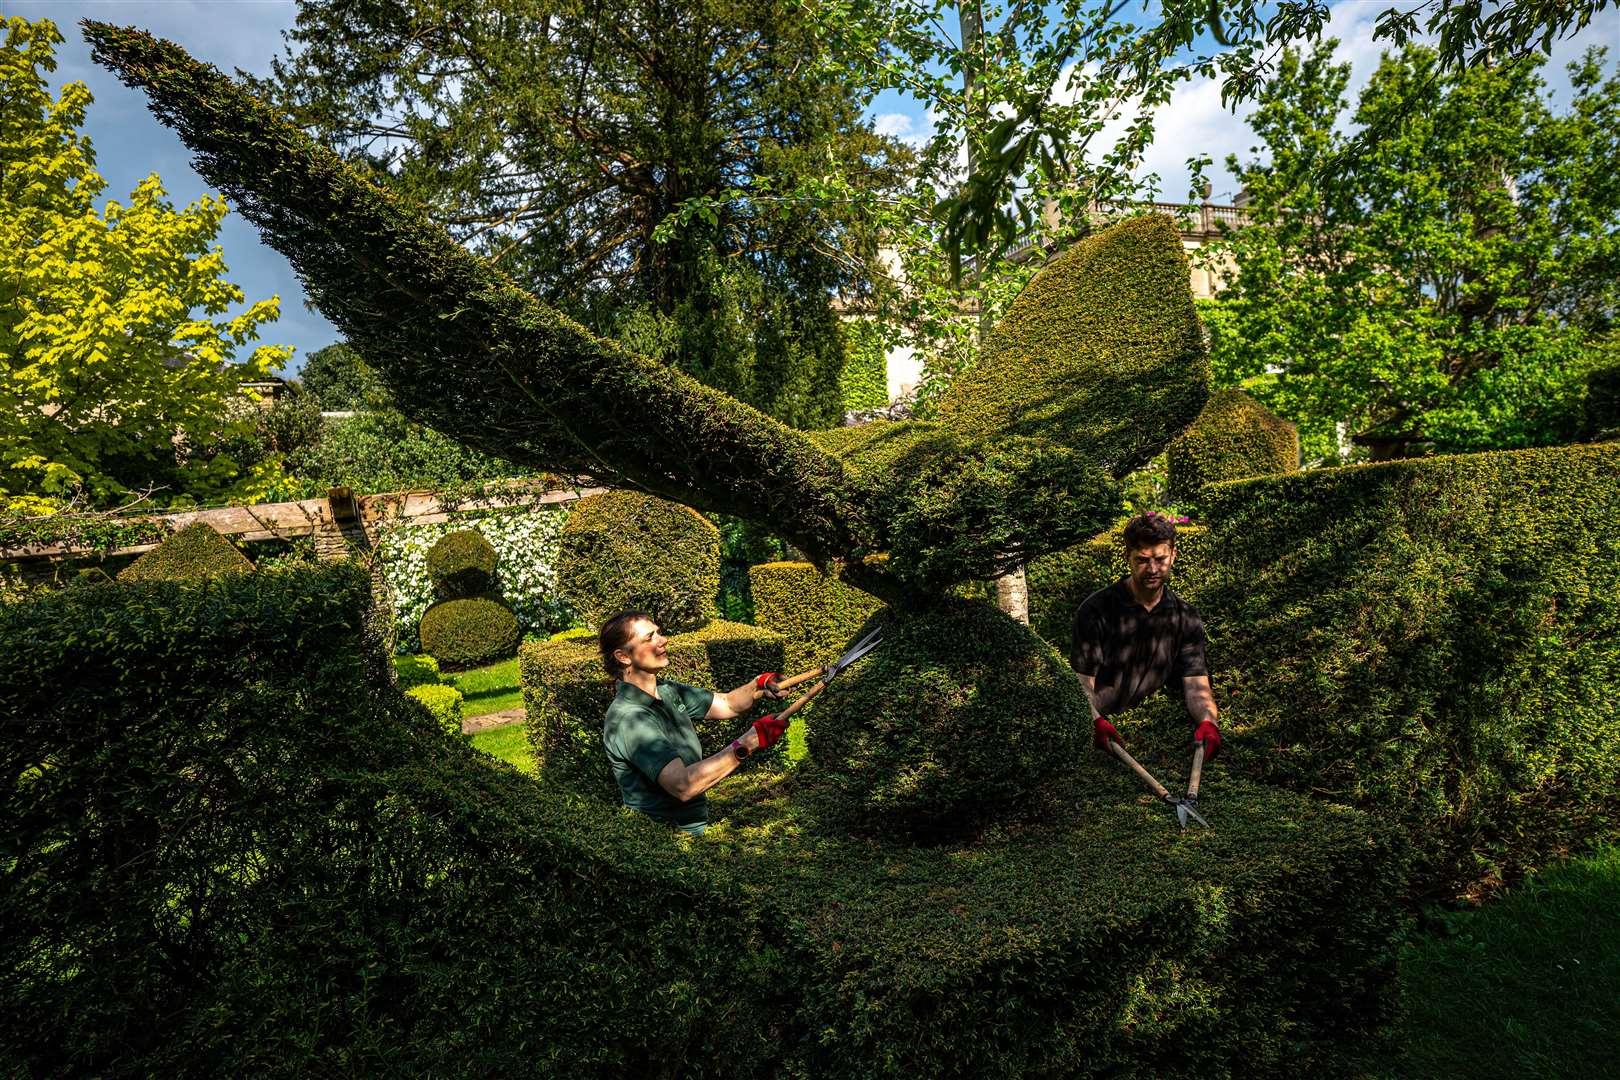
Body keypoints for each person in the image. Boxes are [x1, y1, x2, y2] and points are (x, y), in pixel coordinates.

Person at [598, 609, 790, 836]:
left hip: (695, 829)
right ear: (623, 657)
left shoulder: (667, 691)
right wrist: (750, 741)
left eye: (659, 633)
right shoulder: (629, 719)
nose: (663, 640)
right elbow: (683, 785)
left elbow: (727, 703)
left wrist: (759, 684)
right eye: (650, 638)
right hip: (663, 839)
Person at [1070, 512, 1223, 761]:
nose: (1152, 569)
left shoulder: (1186, 616)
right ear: (1127, 557)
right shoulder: (1095, 610)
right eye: (1142, 560)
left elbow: (1196, 685)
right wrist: (1094, 721)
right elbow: (1081, 683)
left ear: (1173, 555)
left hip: (1152, 735)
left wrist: (1209, 723)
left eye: (1160, 559)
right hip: (1097, 730)